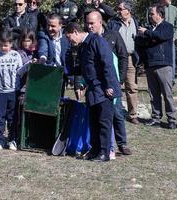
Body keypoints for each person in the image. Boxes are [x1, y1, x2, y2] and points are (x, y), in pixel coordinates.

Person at [65, 22, 121, 162]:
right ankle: (95, 150)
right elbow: (83, 68)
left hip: (104, 88)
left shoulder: (97, 41)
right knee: (94, 121)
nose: (69, 41)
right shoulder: (83, 46)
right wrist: (66, 71)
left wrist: (110, 86)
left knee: (104, 122)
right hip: (93, 89)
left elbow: (107, 63)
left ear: (75, 32)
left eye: (69, 37)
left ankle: (104, 152)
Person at [86, 11, 132, 159]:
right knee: (101, 117)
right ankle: (103, 148)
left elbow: (123, 56)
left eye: (92, 23)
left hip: (112, 83)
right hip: (98, 86)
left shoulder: (113, 35)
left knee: (117, 113)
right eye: (87, 23)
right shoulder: (89, 40)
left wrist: (119, 80)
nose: (89, 26)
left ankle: (122, 143)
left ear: (100, 22)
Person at [138, 4, 176, 129]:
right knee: (153, 94)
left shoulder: (168, 27)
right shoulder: (149, 29)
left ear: (160, 15)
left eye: (151, 13)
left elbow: (161, 36)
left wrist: (147, 33)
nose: (149, 16)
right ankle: (156, 118)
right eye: (149, 14)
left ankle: (171, 119)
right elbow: (142, 43)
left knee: (167, 93)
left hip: (163, 65)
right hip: (150, 65)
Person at [0, 31, 24, 151]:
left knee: (13, 118)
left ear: (11, 44)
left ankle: (12, 140)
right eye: (1, 45)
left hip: (13, 91)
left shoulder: (16, 56)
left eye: (5, 45)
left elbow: (21, 72)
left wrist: (28, 66)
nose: (3, 48)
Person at [107, 0, 141, 125]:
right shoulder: (113, 23)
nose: (119, 11)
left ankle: (133, 115)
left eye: (121, 9)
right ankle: (113, 112)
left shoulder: (136, 23)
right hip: (117, 58)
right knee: (115, 84)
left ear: (128, 11)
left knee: (131, 86)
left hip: (131, 58)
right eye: (118, 9)